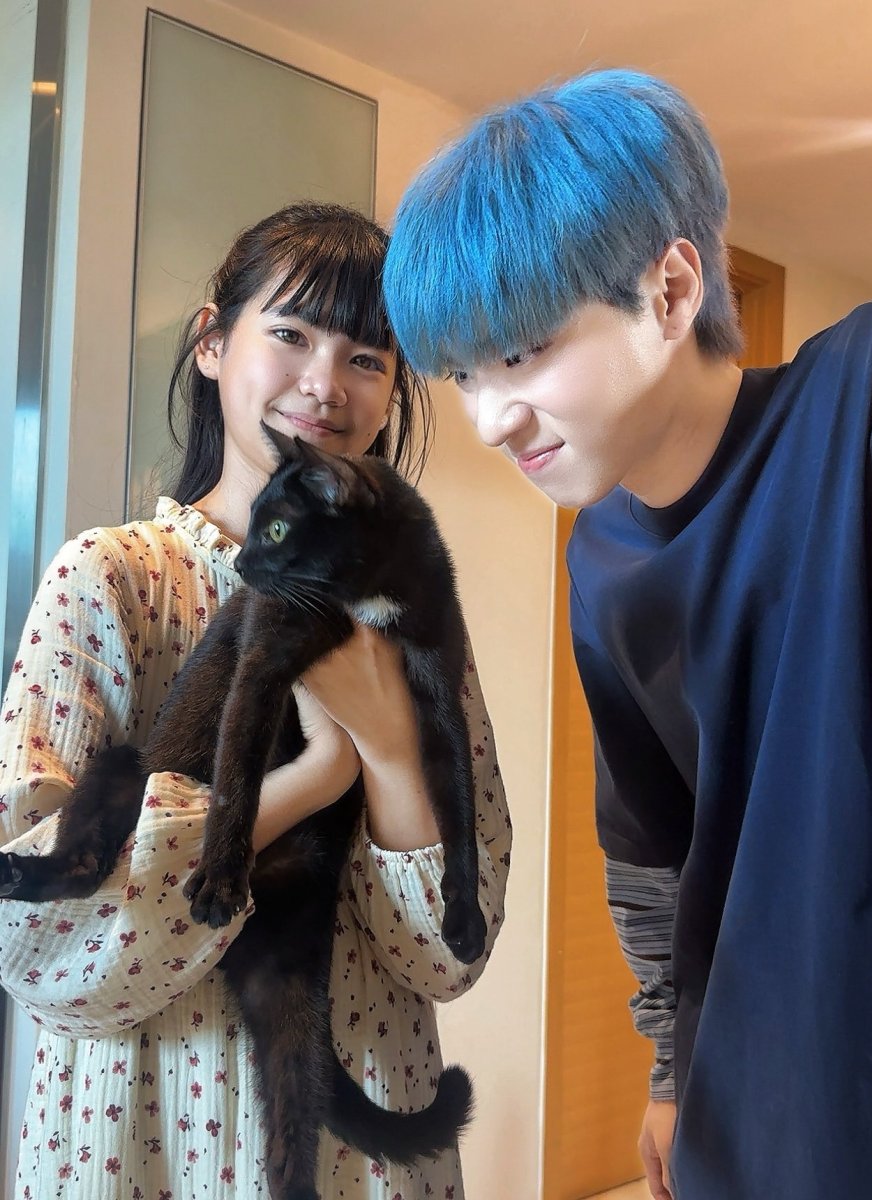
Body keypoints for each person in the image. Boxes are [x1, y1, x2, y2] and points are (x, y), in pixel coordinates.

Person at [381, 69, 872, 1200]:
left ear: (671, 289)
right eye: (463, 372)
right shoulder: (603, 557)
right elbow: (651, 849)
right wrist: (670, 1072)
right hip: (751, 1109)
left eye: (523, 351)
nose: (490, 417)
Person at [0, 201, 511, 1200]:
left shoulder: (405, 608)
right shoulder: (112, 580)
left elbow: (452, 953)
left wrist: (391, 750)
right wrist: (322, 773)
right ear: (211, 342)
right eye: (291, 334)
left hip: (355, 1143)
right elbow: (34, 938)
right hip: (138, 1139)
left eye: (367, 358)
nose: (326, 383)